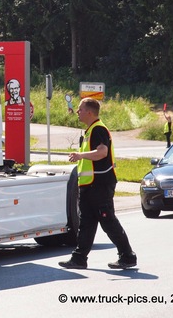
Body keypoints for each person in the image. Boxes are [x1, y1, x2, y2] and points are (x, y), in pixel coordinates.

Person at [59, 98, 137, 270]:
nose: (77, 112)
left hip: (100, 184)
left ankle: (127, 256)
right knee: (86, 222)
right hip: (88, 185)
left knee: (107, 220)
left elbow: (102, 152)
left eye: (80, 109)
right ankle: (79, 258)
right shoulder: (88, 132)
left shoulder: (98, 129)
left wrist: (80, 155)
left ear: (89, 112)